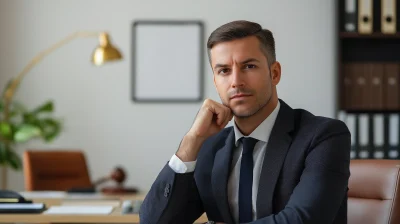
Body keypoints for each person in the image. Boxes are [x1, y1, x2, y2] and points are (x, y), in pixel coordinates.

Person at [139, 20, 351, 224]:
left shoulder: (323, 136)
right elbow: (154, 221)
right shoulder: (210, 147)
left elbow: (304, 220)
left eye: (248, 66)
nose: (236, 81)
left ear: (274, 73)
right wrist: (192, 140)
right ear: (215, 81)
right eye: (224, 71)